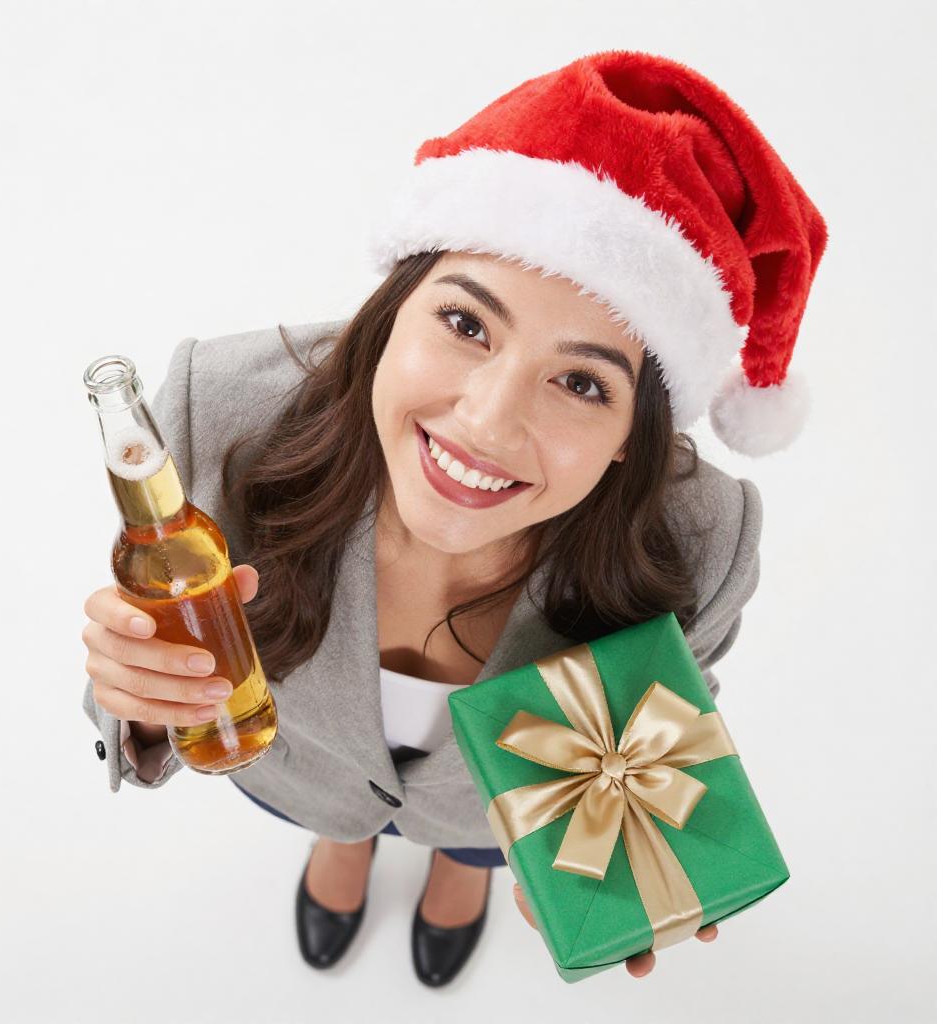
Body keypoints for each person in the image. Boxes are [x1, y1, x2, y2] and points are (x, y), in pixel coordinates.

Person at [81, 50, 827, 988]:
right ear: (393, 307)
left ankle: (455, 872)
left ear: (634, 435)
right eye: (467, 324)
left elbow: (666, 712)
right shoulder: (214, 409)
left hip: (482, 816)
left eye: (582, 381)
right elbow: (157, 644)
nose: (486, 421)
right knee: (336, 820)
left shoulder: (707, 539)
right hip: (299, 775)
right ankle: (341, 849)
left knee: (463, 846)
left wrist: (644, 835)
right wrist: (142, 704)